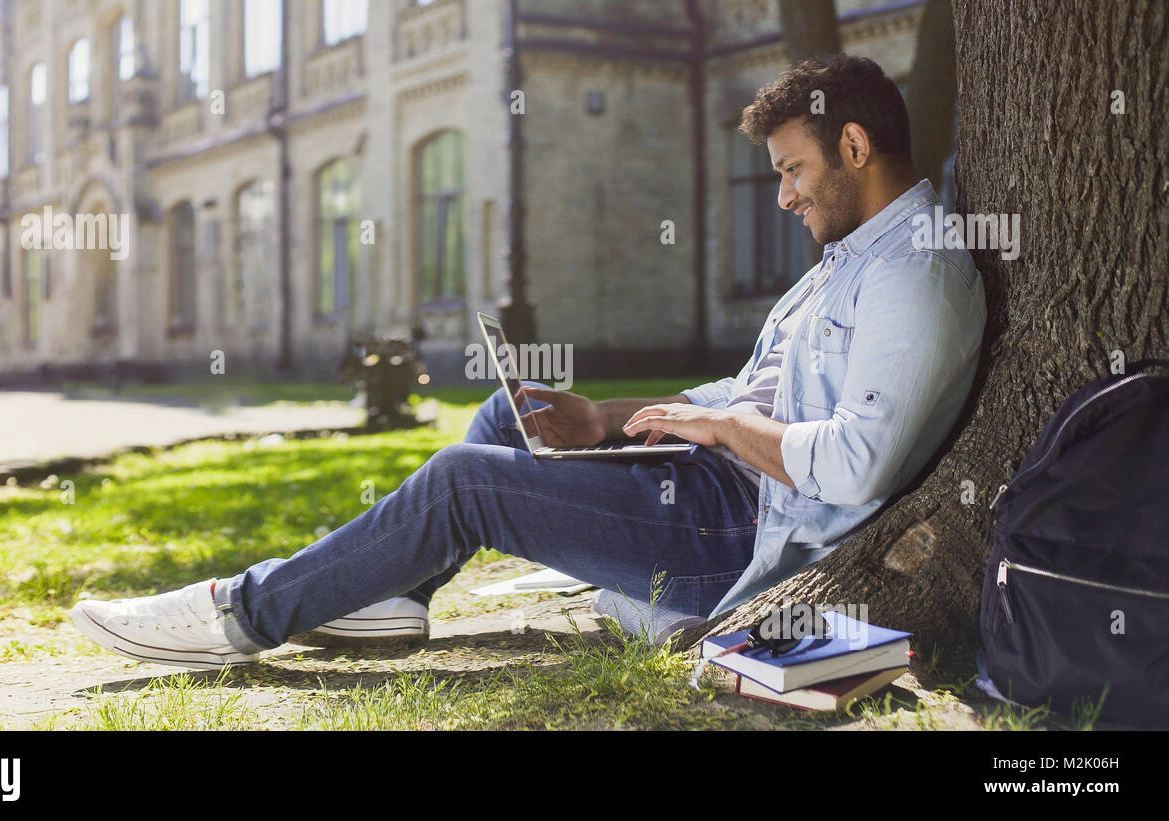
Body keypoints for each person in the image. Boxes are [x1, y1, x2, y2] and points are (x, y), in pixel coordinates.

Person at [71, 54, 987, 670]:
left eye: (792, 170)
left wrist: (717, 425)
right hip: (721, 484)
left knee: (464, 479)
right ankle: (397, 597)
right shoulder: (850, 258)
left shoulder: (916, 273)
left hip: (736, 531)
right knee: (514, 415)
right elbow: (751, 390)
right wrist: (609, 418)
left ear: (854, 146)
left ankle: (241, 612)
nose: (782, 195)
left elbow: (856, 462)